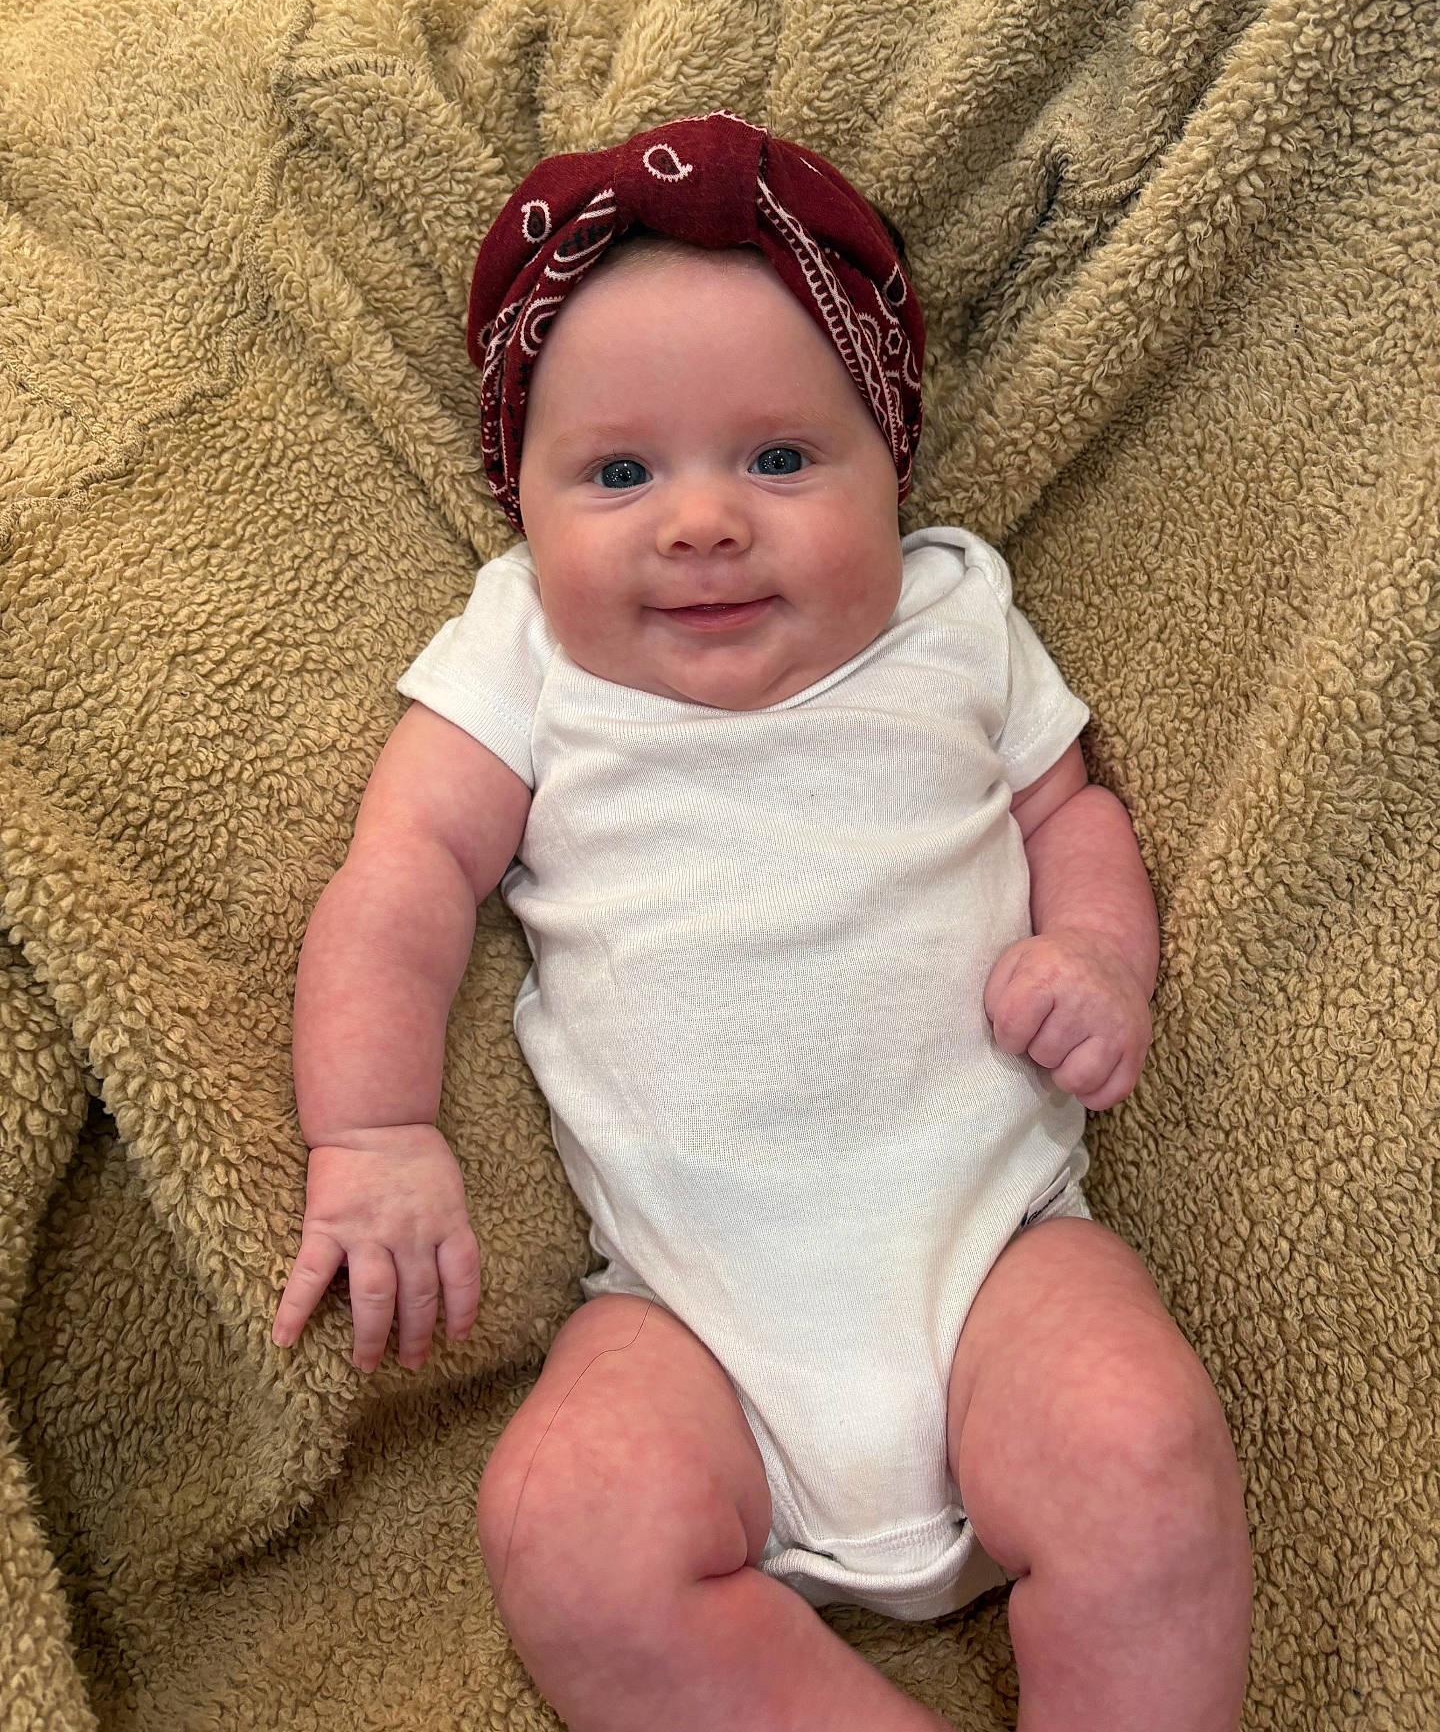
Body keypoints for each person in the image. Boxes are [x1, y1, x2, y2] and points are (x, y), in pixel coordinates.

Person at [271, 113, 1252, 1731]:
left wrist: (1095, 956)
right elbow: (402, 881)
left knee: (1140, 1455)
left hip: (996, 1253)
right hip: (687, 1313)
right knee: (567, 1531)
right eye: (619, 473)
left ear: (893, 465)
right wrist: (372, 1133)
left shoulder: (953, 612)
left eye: (783, 459)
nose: (704, 520)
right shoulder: (521, 653)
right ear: (518, 496)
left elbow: (1071, 813)